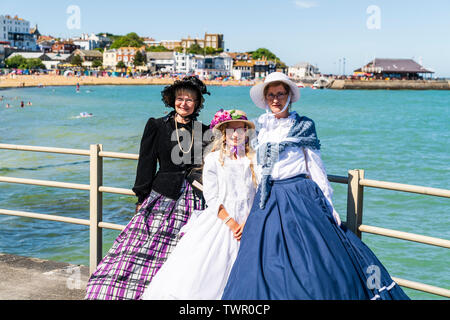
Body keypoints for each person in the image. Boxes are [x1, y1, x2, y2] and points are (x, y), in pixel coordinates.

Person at [221, 72, 410, 300]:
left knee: (312, 260)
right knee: (262, 260)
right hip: (268, 198)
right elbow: (258, 167)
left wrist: (329, 204)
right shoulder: (261, 128)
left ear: (289, 95)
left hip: (299, 195)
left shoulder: (304, 125)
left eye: (280, 94)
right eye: (271, 95)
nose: (275, 99)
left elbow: (316, 166)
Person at [85, 76, 212, 300]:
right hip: (161, 195)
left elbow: (213, 166)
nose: (184, 103)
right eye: (180, 98)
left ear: (198, 103)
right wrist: (141, 197)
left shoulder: (205, 130)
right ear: (172, 100)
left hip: (195, 199)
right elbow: (146, 163)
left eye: (190, 99)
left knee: (184, 251)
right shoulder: (157, 125)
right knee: (140, 247)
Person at [142, 109, 258, 300]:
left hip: (248, 218)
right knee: (209, 266)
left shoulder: (253, 159)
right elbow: (211, 196)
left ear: (247, 133)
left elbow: (258, 192)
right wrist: (231, 222)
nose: (236, 135)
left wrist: (247, 221)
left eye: (240, 130)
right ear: (224, 133)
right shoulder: (214, 159)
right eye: (231, 130)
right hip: (222, 218)